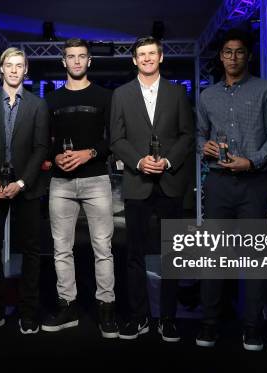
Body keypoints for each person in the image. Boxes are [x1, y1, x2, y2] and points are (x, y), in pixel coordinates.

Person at [196, 28, 267, 351]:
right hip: (217, 183)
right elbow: (199, 134)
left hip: (254, 183)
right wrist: (204, 145)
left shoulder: (266, 90)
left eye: (240, 52)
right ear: (220, 57)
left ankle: (252, 328)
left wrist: (253, 162)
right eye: (228, 52)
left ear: (248, 55)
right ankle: (209, 324)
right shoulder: (207, 95)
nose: (233, 57)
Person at [110, 36, 194, 342]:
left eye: (151, 54)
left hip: (170, 184)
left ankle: (168, 318)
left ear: (160, 58)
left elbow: (188, 135)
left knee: (172, 254)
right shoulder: (120, 94)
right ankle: (138, 316)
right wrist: (138, 162)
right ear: (134, 60)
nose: (146, 58)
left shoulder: (177, 92)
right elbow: (116, 139)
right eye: (141, 54)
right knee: (134, 254)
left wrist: (169, 161)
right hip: (137, 182)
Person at [40, 38, 117, 338]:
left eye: (81, 56)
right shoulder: (51, 100)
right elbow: (43, 143)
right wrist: (53, 156)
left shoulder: (104, 97)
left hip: (97, 179)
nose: (75, 61)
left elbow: (113, 139)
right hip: (60, 182)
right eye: (70, 57)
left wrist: (90, 153)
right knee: (61, 249)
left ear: (89, 61)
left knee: (103, 248)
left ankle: (106, 309)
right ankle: (68, 307)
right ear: (63, 62)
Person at [0, 47, 49, 335]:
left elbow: (41, 148)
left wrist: (21, 183)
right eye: (9, 65)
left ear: (26, 70)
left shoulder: (37, 105)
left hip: (26, 188)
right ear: (1, 69)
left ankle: (28, 312)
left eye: (20, 65)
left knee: (30, 250)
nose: (15, 70)